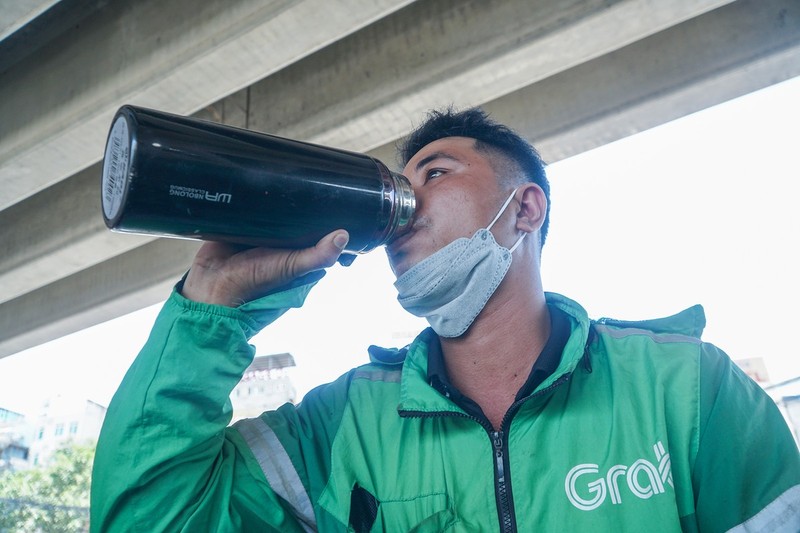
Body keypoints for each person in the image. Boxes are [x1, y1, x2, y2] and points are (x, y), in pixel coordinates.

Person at [91, 108, 800, 532]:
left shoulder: (686, 389)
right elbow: (149, 516)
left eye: (435, 174)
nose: (405, 203)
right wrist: (212, 308)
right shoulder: (341, 426)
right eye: (402, 183)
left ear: (525, 209)